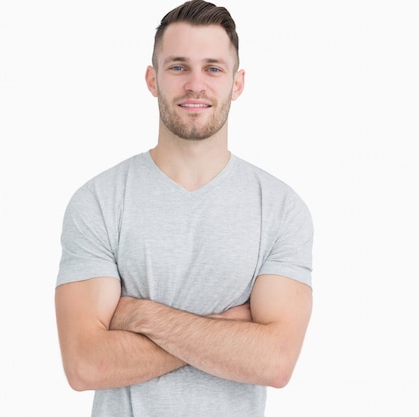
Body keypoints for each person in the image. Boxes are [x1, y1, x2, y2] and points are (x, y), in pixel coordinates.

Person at [54, 1, 314, 416]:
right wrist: (229, 333)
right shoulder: (99, 201)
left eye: (213, 68)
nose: (196, 84)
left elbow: (275, 361)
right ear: (152, 79)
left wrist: (140, 314)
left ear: (238, 83)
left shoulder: (281, 208)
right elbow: (87, 365)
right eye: (178, 67)